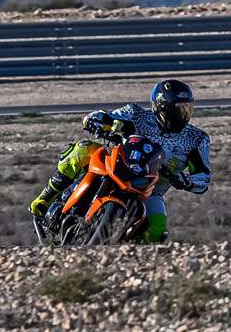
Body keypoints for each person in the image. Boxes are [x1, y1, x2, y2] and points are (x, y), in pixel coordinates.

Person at [29, 78, 210, 243]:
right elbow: (103, 116)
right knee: (83, 148)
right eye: (178, 109)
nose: (183, 114)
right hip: (117, 165)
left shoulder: (196, 139)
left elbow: (203, 178)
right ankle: (45, 199)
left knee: (157, 230)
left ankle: (129, 257)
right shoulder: (136, 114)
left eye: (187, 108)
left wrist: (185, 180)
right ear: (162, 107)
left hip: (150, 190)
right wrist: (96, 121)